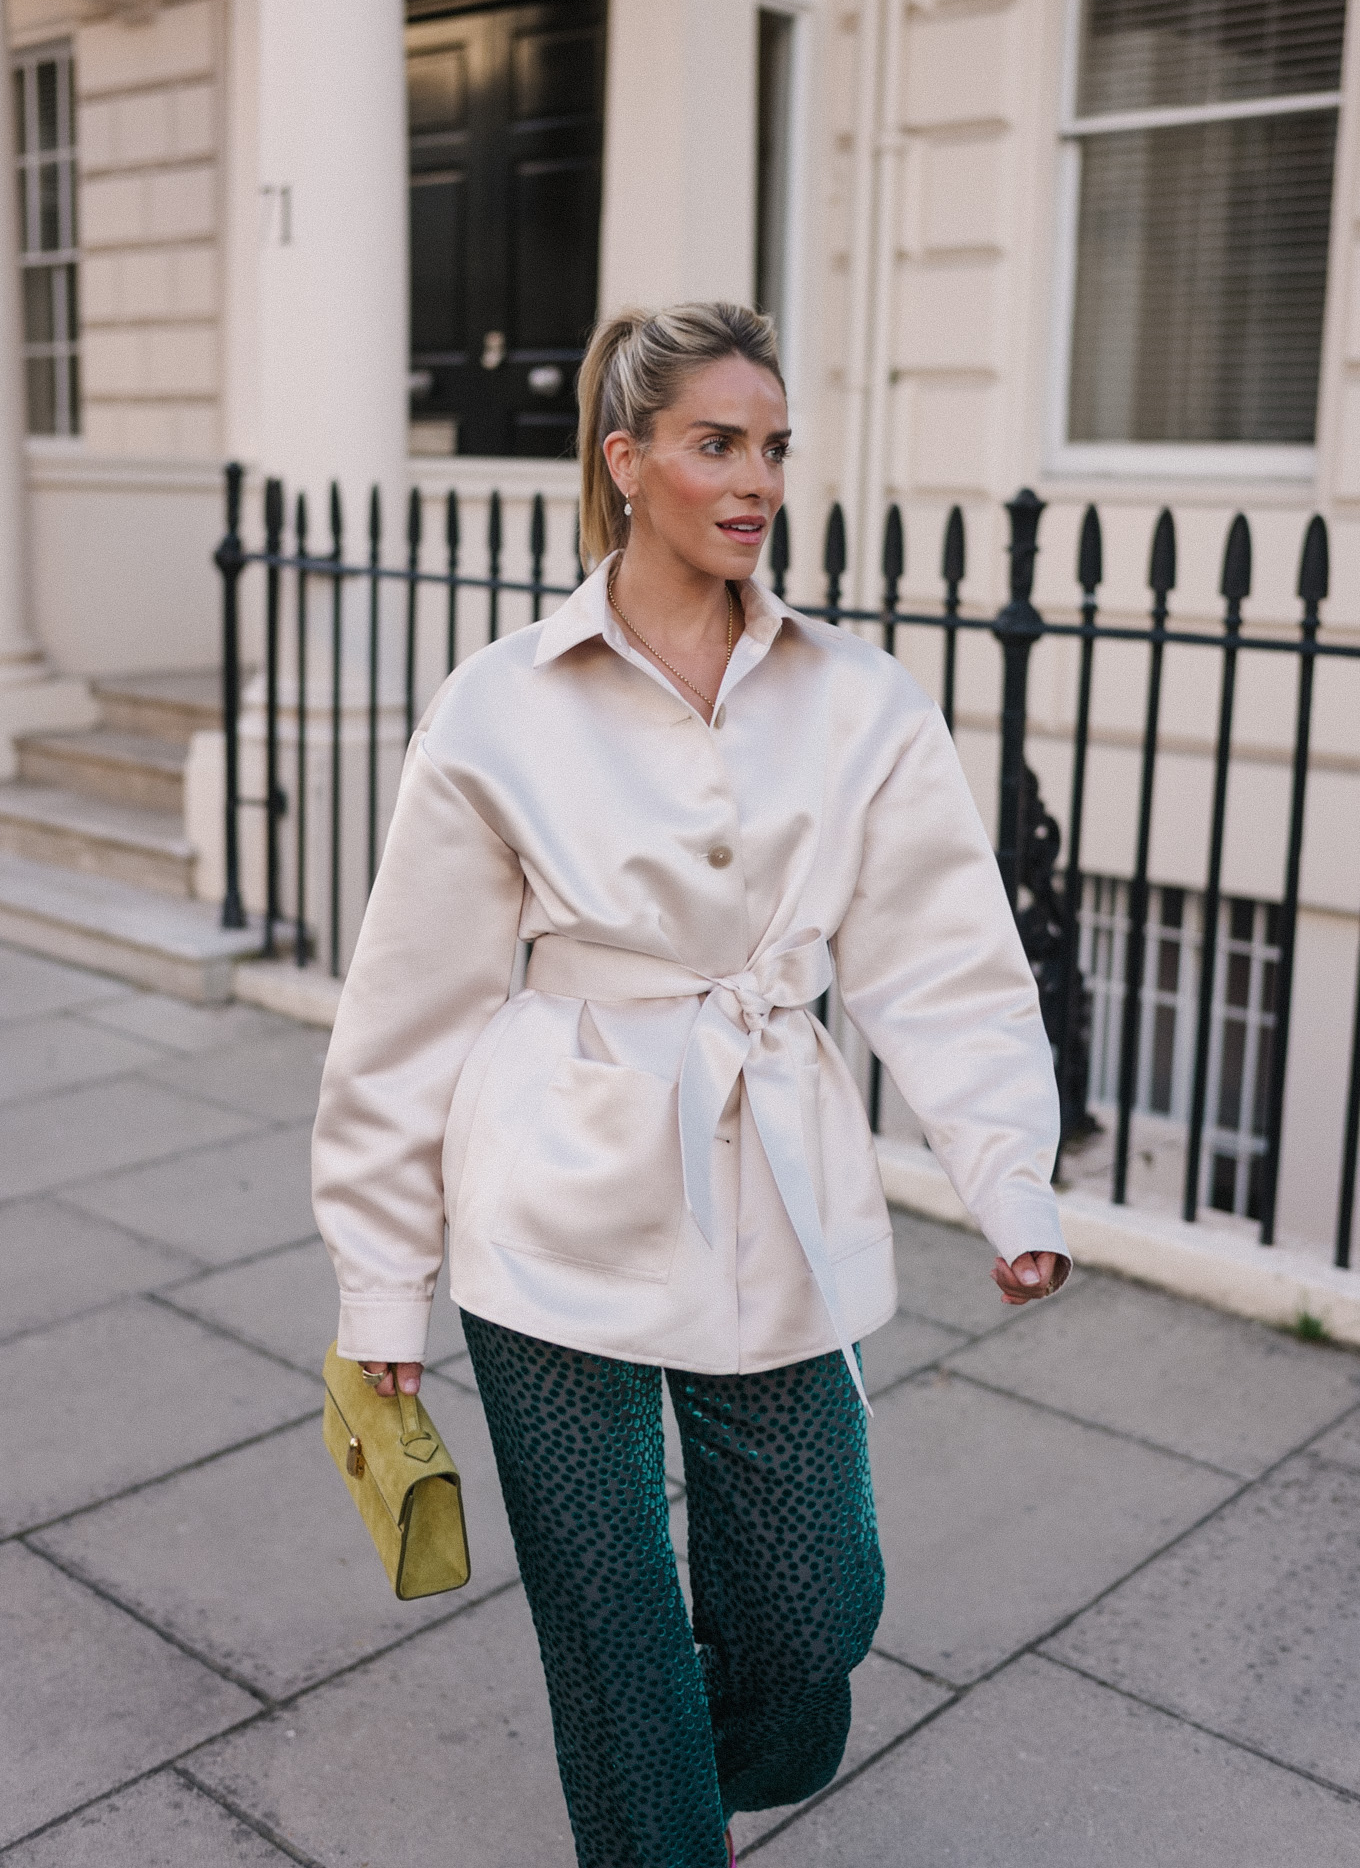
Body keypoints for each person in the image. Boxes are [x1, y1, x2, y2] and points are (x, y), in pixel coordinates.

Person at [312, 301, 1069, 1868]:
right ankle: (649, 1813)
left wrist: (1007, 1176)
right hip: (546, 1204)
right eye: (717, 443)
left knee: (813, 1616)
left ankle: (690, 1766)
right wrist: (384, 1289)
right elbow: (411, 1009)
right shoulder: (501, 703)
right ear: (626, 460)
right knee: (614, 1643)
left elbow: (945, 963)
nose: (757, 479)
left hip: (775, 1190)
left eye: (773, 445)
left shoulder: (861, 701)